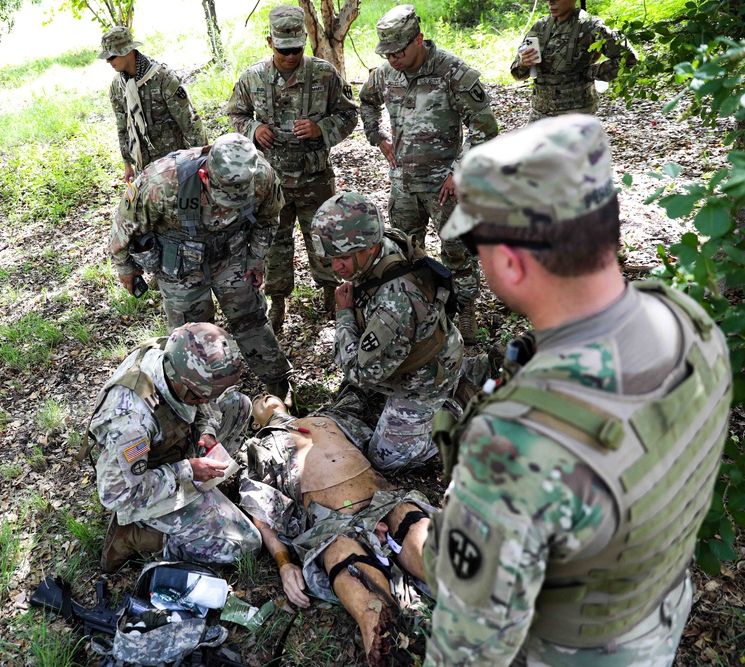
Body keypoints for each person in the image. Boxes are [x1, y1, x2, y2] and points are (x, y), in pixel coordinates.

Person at [422, 114, 732, 666]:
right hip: (657, 614)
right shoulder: (688, 321)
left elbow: (468, 651)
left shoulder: (516, 443)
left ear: (511, 262)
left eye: (477, 245)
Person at [241, 388, 433, 666]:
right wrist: (284, 563)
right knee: (342, 556)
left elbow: (372, 411)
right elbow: (257, 506)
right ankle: (378, 628)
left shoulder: (328, 417)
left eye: (266, 392)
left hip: (383, 496)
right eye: (256, 400)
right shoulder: (256, 445)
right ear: (255, 423)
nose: (263, 394)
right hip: (330, 520)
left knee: (410, 521)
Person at [108, 132, 292, 398]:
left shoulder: (262, 174)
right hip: (180, 268)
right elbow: (123, 227)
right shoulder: (163, 181)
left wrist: (256, 259)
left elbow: (268, 218)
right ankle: (202, 403)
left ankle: (278, 382)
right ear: (205, 176)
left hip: (232, 255)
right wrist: (127, 270)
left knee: (250, 317)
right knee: (191, 338)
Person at [359, 5, 499, 345]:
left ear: (419, 40)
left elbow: (485, 128)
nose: (393, 58)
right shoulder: (385, 75)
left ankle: (465, 309)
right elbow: (366, 102)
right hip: (404, 184)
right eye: (387, 53)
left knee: (458, 251)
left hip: (446, 187)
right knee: (405, 250)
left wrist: (459, 171)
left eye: (399, 51)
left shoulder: (453, 72)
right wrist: (378, 137)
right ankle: (418, 311)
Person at [309, 191, 467, 472]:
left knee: (384, 459)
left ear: (369, 247)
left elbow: (360, 373)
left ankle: (456, 415)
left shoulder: (393, 304)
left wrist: (344, 314)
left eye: (343, 257)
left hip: (426, 378)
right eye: (330, 258)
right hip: (421, 349)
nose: (336, 267)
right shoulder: (384, 241)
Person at [88, 322, 261, 572]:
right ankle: (139, 535)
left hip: (170, 448)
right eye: (202, 396)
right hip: (140, 485)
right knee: (246, 544)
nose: (208, 401)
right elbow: (115, 495)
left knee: (238, 405)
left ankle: (205, 495)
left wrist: (206, 430)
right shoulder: (131, 421)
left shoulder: (178, 353)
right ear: (179, 380)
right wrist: (187, 470)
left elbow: (205, 404)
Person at [226, 4, 358, 331]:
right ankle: (278, 301)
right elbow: (236, 115)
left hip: (315, 178)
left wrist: (321, 129)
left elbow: (348, 114)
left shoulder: (324, 74)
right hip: (270, 182)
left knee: (325, 238)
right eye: (284, 50)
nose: (290, 56)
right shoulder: (252, 78)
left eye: (297, 49)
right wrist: (253, 130)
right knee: (274, 243)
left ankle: (331, 292)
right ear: (269, 42)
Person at [99, 25, 208, 182]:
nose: (108, 61)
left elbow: (190, 122)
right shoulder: (118, 85)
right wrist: (127, 162)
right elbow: (122, 125)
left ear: (128, 51)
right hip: (143, 165)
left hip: (174, 163)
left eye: (112, 56)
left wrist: (201, 161)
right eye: (106, 57)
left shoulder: (163, 79)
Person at [511, 0, 637, 123]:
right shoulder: (540, 26)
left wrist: (591, 72)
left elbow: (628, 58)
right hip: (540, 112)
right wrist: (524, 62)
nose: (551, 2)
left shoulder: (591, 26)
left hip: (577, 113)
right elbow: (517, 74)